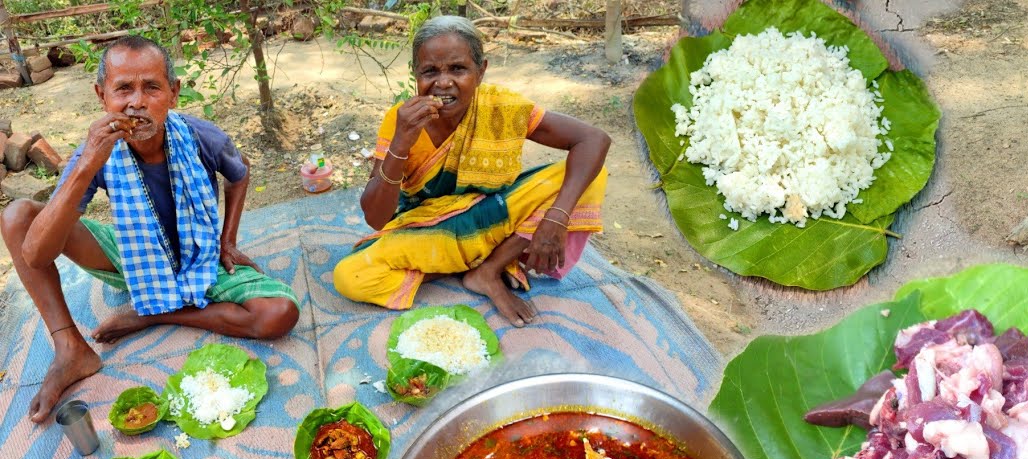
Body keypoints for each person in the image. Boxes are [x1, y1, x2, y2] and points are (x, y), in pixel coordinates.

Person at [0, 36, 300, 423]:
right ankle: (70, 347)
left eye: (152, 87)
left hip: (200, 257)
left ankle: (154, 314)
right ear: (102, 96)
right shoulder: (95, 152)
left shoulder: (200, 136)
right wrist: (88, 164)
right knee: (17, 216)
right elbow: (36, 255)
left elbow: (239, 172)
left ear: (173, 93)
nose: (136, 102)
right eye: (123, 88)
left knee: (278, 314)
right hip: (137, 253)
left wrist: (228, 241)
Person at [334, 16, 610, 327]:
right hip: (431, 229)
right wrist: (401, 141)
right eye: (430, 71)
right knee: (351, 276)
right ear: (415, 74)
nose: (443, 82)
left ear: (481, 71)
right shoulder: (402, 120)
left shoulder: (502, 107)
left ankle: (488, 269)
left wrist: (556, 218)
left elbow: (593, 140)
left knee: (592, 175)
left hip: (496, 214)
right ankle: (476, 264)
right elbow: (375, 218)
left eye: (458, 69)